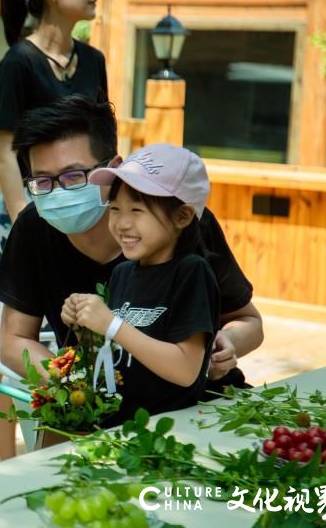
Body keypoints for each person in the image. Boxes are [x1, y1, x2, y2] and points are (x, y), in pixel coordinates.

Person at [0, 95, 264, 398]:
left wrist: (228, 344)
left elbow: (250, 322)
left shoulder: (181, 222)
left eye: (74, 176)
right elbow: (14, 340)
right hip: (111, 411)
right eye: (43, 181)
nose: (58, 193)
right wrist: (77, 388)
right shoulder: (35, 227)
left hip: (200, 402)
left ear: (114, 168)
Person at [0, 0, 108, 460]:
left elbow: (101, 136)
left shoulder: (94, 60)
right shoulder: (18, 60)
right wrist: (29, 221)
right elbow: (4, 149)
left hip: (82, 208)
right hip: (27, 208)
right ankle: (6, 456)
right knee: (5, 349)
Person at [61, 144, 220, 423]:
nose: (122, 223)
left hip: (168, 431)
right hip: (118, 425)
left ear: (182, 216)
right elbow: (115, 355)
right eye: (115, 209)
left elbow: (186, 370)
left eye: (136, 210)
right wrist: (85, 326)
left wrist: (111, 324)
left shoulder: (192, 273)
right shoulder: (122, 272)